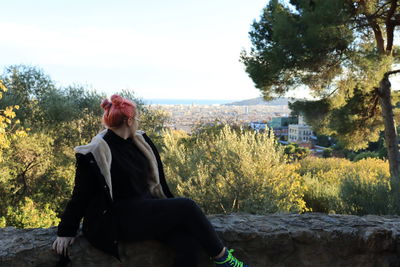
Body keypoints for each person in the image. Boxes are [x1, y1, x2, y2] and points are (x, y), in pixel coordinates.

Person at [52, 94, 250, 267]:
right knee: (187, 206)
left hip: (144, 210)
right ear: (129, 121)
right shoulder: (96, 152)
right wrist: (66, 231)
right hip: (119, 218)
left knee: (188, 242)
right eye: (136, 118)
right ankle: (224, 260)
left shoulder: (138, 143)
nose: (138, 121)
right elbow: (80, 194)